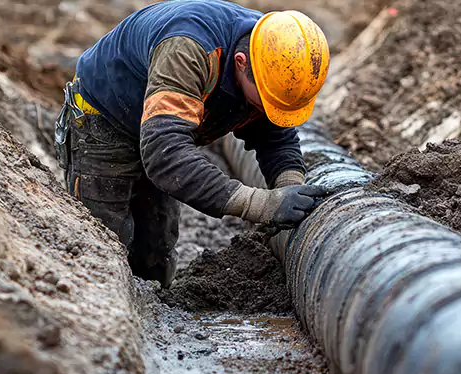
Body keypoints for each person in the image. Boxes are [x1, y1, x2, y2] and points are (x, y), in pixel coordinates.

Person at [53, 0, 331, 286]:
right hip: (106, 118)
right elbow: (165, 156)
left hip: (163, 127)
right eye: (265, 102)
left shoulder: (275, 55)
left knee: (155, 251)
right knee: (104, 242)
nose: (265, 111)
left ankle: (155, 301)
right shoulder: (188, 51)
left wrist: (290, 189)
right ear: (241, 63)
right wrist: (261, 204)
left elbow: (275, 134)